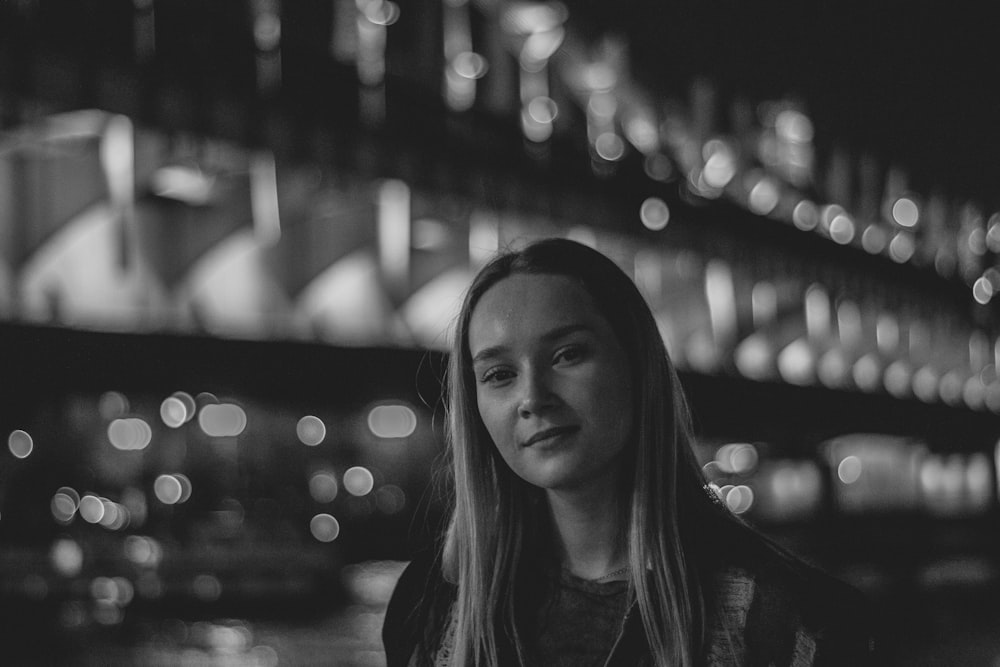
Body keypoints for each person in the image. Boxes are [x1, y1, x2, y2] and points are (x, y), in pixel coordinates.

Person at [382, 238, 875, 666]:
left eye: (567, 354)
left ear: (637, 366)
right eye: (498, 374)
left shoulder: (792, 620)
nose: (533, 398)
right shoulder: (428, 608)